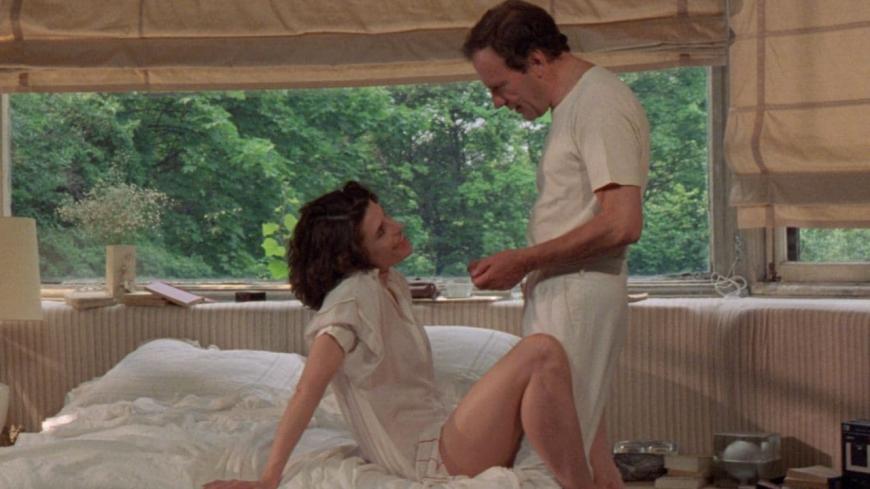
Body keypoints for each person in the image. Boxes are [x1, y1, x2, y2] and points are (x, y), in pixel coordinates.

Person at [203, 181, 599, 489]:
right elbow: (307, 390)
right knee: (541, 351)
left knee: (550, 366)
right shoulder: (350, 300)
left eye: (387, 218)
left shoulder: (390, 282)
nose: (398, 227)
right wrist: (268, 478)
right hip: (428, 459)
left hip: (443, 434)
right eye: (381, 231)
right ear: (349, 256)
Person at [462, 3, 650, 489]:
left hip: (579, 294)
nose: (497, 103)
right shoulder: (575, 107)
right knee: (585, 451)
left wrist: (522, 261)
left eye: (500, 86)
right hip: (565, 292)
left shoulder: (598, 104)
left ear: (537, 61)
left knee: (548, 465)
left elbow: (623, 222)